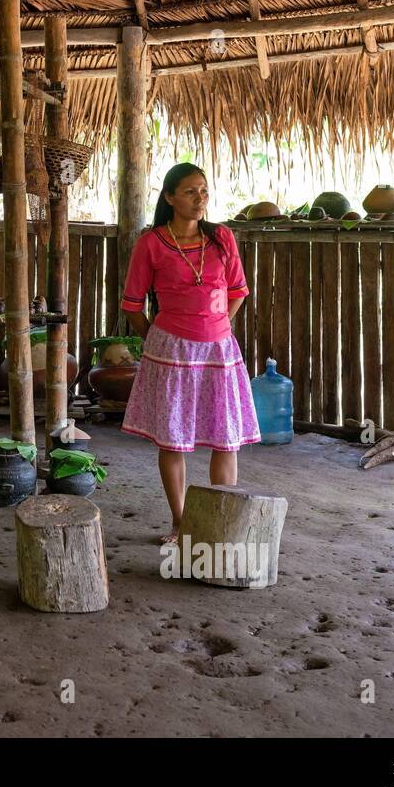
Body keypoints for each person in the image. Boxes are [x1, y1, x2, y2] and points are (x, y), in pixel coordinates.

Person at [121, 162, 260, 543]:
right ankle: (180, 523)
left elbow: (238, 291)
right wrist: (156, 340)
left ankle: (221, 523)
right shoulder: (151, 243)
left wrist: (220, 325)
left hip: (219, 351)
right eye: (189, 192)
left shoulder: (222, 238)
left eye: (204, 190)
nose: (200, 198)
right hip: (171, 351)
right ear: (169, 198)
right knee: (173, 438)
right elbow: (132, 305)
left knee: (225, 436)